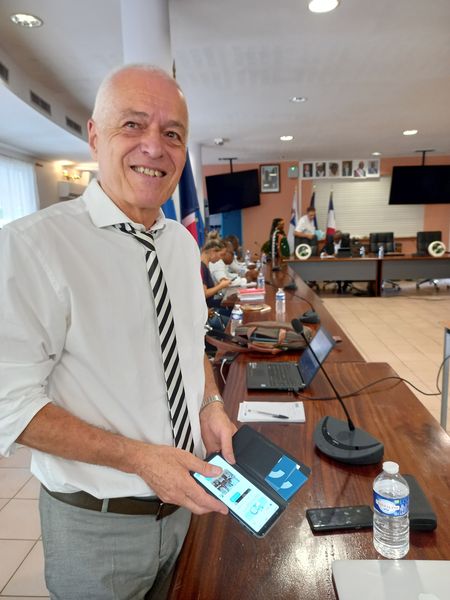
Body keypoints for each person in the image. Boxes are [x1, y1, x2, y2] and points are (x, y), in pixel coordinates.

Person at [0, 64, 236, 599]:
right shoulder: (31, 247)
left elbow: (189, 342)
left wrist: (209, 406)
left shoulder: (180, 245)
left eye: (172, 133)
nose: (155, 147)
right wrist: (141, 460)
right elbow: (9, 405)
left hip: (183, 509)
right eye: (133, 125)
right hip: (95, 528)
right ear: (94, 135)